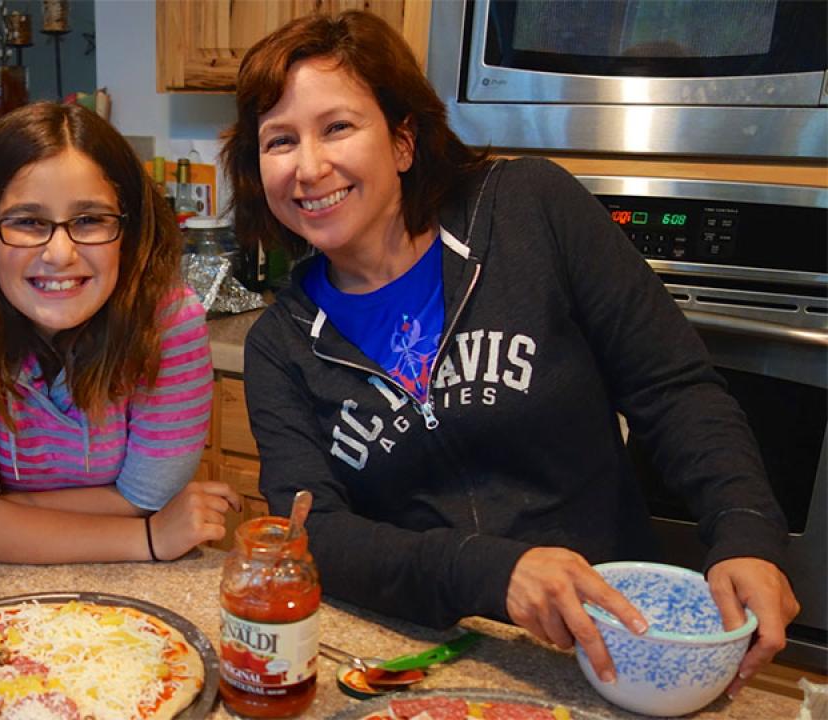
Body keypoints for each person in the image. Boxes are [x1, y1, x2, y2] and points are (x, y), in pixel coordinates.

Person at [221, 10, 799, 696]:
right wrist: (493, 571)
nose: (310, 167)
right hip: (425, 659)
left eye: (338, 127)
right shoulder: (280, 344)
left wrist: (746, 532)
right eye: (280, 140)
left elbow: (673, 389)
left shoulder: (529, 208)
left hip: (611, 642)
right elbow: (316, 535)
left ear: (403, 141)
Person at [0, 102, 239, 563]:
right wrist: (149, 538)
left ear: (128, 231)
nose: (60, 254)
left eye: (90, 220)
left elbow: (144, 499)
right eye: (27, 221)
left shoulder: (169, 321)